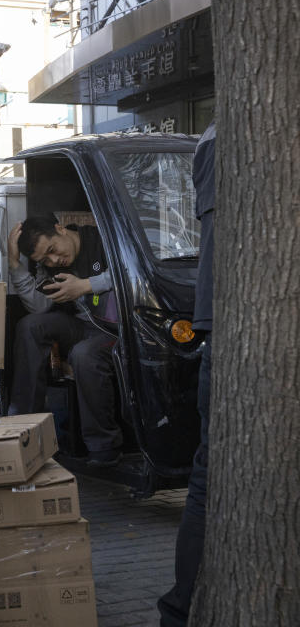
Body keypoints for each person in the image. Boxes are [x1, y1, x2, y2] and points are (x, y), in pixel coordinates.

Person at [7, 214, 121, 466]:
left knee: (84, 354)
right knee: (30, 326)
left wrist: (86, 286)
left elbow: (129, 270)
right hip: (81, 326)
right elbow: (39, 308)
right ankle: (22, 430)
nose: (54, 260)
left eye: (52, 250)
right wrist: (15, 264)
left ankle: (103, 447)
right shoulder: (49, 267)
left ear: (60, 229)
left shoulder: (102, 239)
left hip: (116, 329)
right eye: (45, 259)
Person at [158, 121, 215, 626]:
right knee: (208, 476)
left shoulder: (211, 144)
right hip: (226, 333)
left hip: (216, 328)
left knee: (206, 476)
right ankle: (180, 611)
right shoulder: (229, 144)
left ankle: (180, 611)